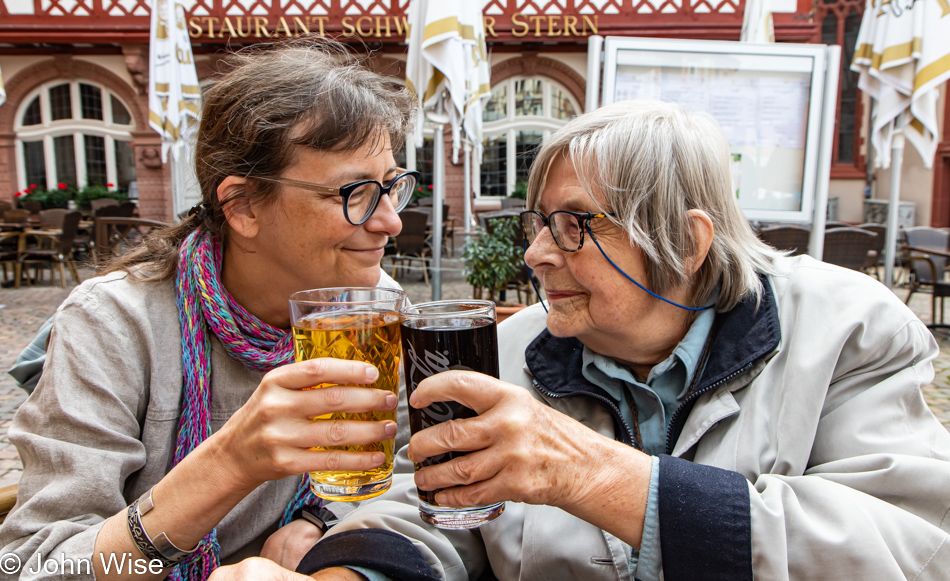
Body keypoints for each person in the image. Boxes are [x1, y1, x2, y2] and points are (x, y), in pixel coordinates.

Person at [213, 99, 950, 581]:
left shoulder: (844, 327)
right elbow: (437, 506)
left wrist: (594, 475)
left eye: (574, 226)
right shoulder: (513, 346)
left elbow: (913, 546)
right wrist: (351, 570)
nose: (534, 255)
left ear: (686, 242)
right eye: (536, 224)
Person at [0, 38, 419, 580]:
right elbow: (32, 564)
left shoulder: (377, 310)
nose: (390, 222)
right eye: (355, 192)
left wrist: (324, 519)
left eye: (390, 188)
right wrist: (229, 464)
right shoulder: (114, 324)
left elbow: (413, 470)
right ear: (243, 206)